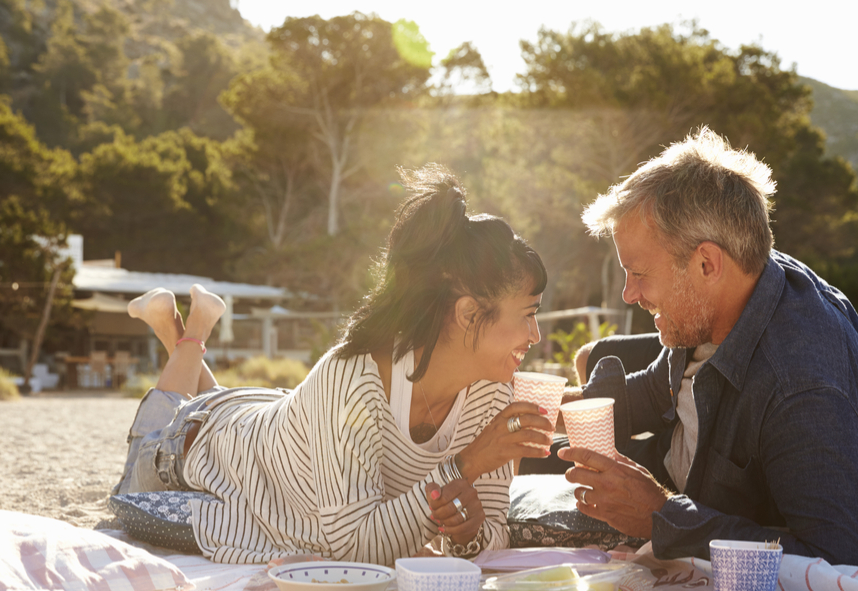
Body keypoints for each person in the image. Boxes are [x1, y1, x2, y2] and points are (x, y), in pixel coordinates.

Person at [113, 163, 552, 565]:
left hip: (284, 429)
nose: (535, 337)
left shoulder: (494, 390)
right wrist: (466, 465)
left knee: (230, 408)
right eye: (528, 315)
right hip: (196, 446)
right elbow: (353, 548)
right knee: (146, 457)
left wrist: (468, 531)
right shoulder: (354, 378)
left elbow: (493, 532)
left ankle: (184, 329)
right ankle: (188, 334)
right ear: (469, 314)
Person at [557, 127, 858, 567]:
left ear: (706, 264)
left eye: (639, 273)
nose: (628, 295)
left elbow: (839, 562)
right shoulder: (713, 300)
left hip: (708, 507)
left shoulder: (803, 390)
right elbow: (658, 389)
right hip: (682, 467)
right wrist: (545, 417)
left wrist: (660, 513)